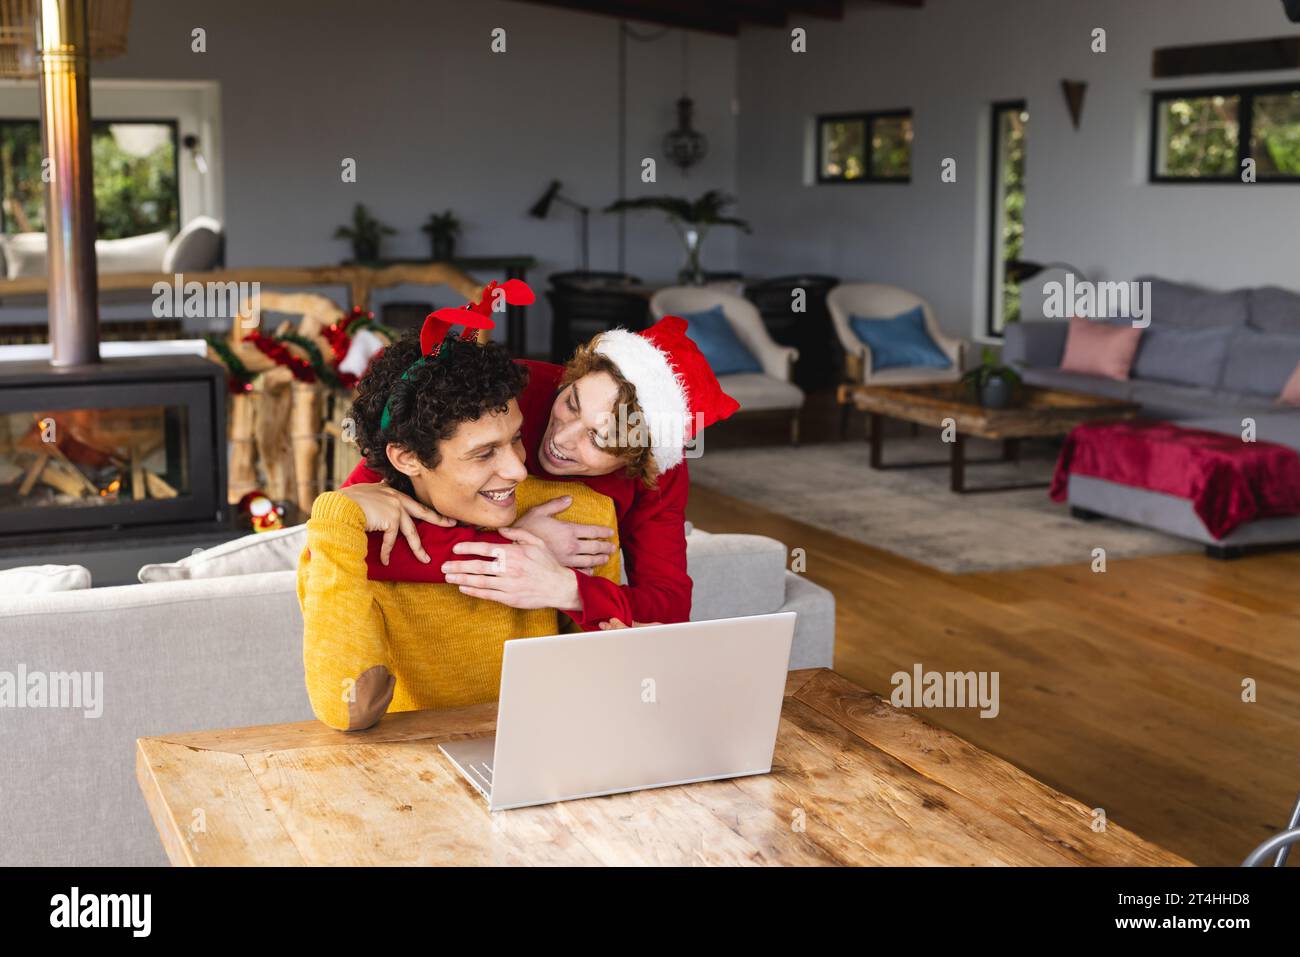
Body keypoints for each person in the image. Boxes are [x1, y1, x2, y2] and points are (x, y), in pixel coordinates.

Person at [298, 305, 622, 731]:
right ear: (408, 458)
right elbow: (349, 709)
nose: (518, 470)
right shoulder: (349, 541)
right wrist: (336, 520)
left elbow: (616, 688)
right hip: (413, 776)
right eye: (484, 453)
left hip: (549, 753)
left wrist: (571, 592)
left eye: (517, 439)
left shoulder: (574, 516)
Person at [342, 312, 740, 627]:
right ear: (575, 375)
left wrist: (568, 589)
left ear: (642, 458)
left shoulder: (658, 468)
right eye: (572, 403)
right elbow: (339, 540)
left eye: (600, 440)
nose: (563, 438)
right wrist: (514, 547)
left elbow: (668, 610)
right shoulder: (499, 395)